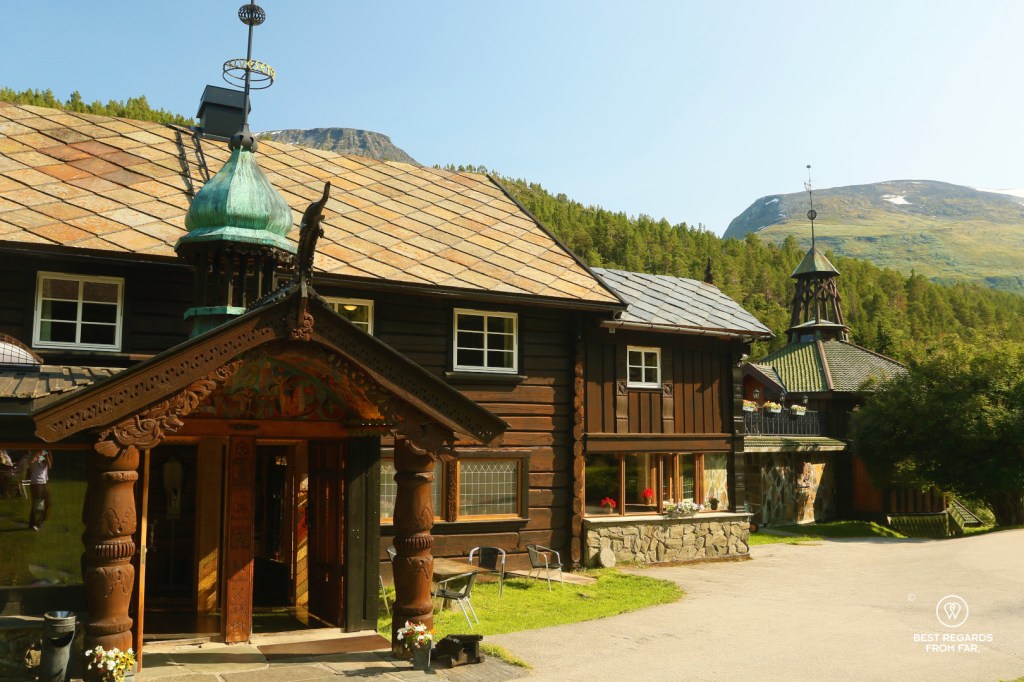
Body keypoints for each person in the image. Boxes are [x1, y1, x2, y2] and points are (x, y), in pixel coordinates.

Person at [27, 450, 52, 531]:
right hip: (36, 484)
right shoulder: (32, 456)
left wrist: (47, 455)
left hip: (44, 483)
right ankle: (33, 524)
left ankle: (39, 522)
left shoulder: (42, 457)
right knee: (38, 504)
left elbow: (49, 465)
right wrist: (37, 454)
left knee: (47, 504)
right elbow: (30, 462)